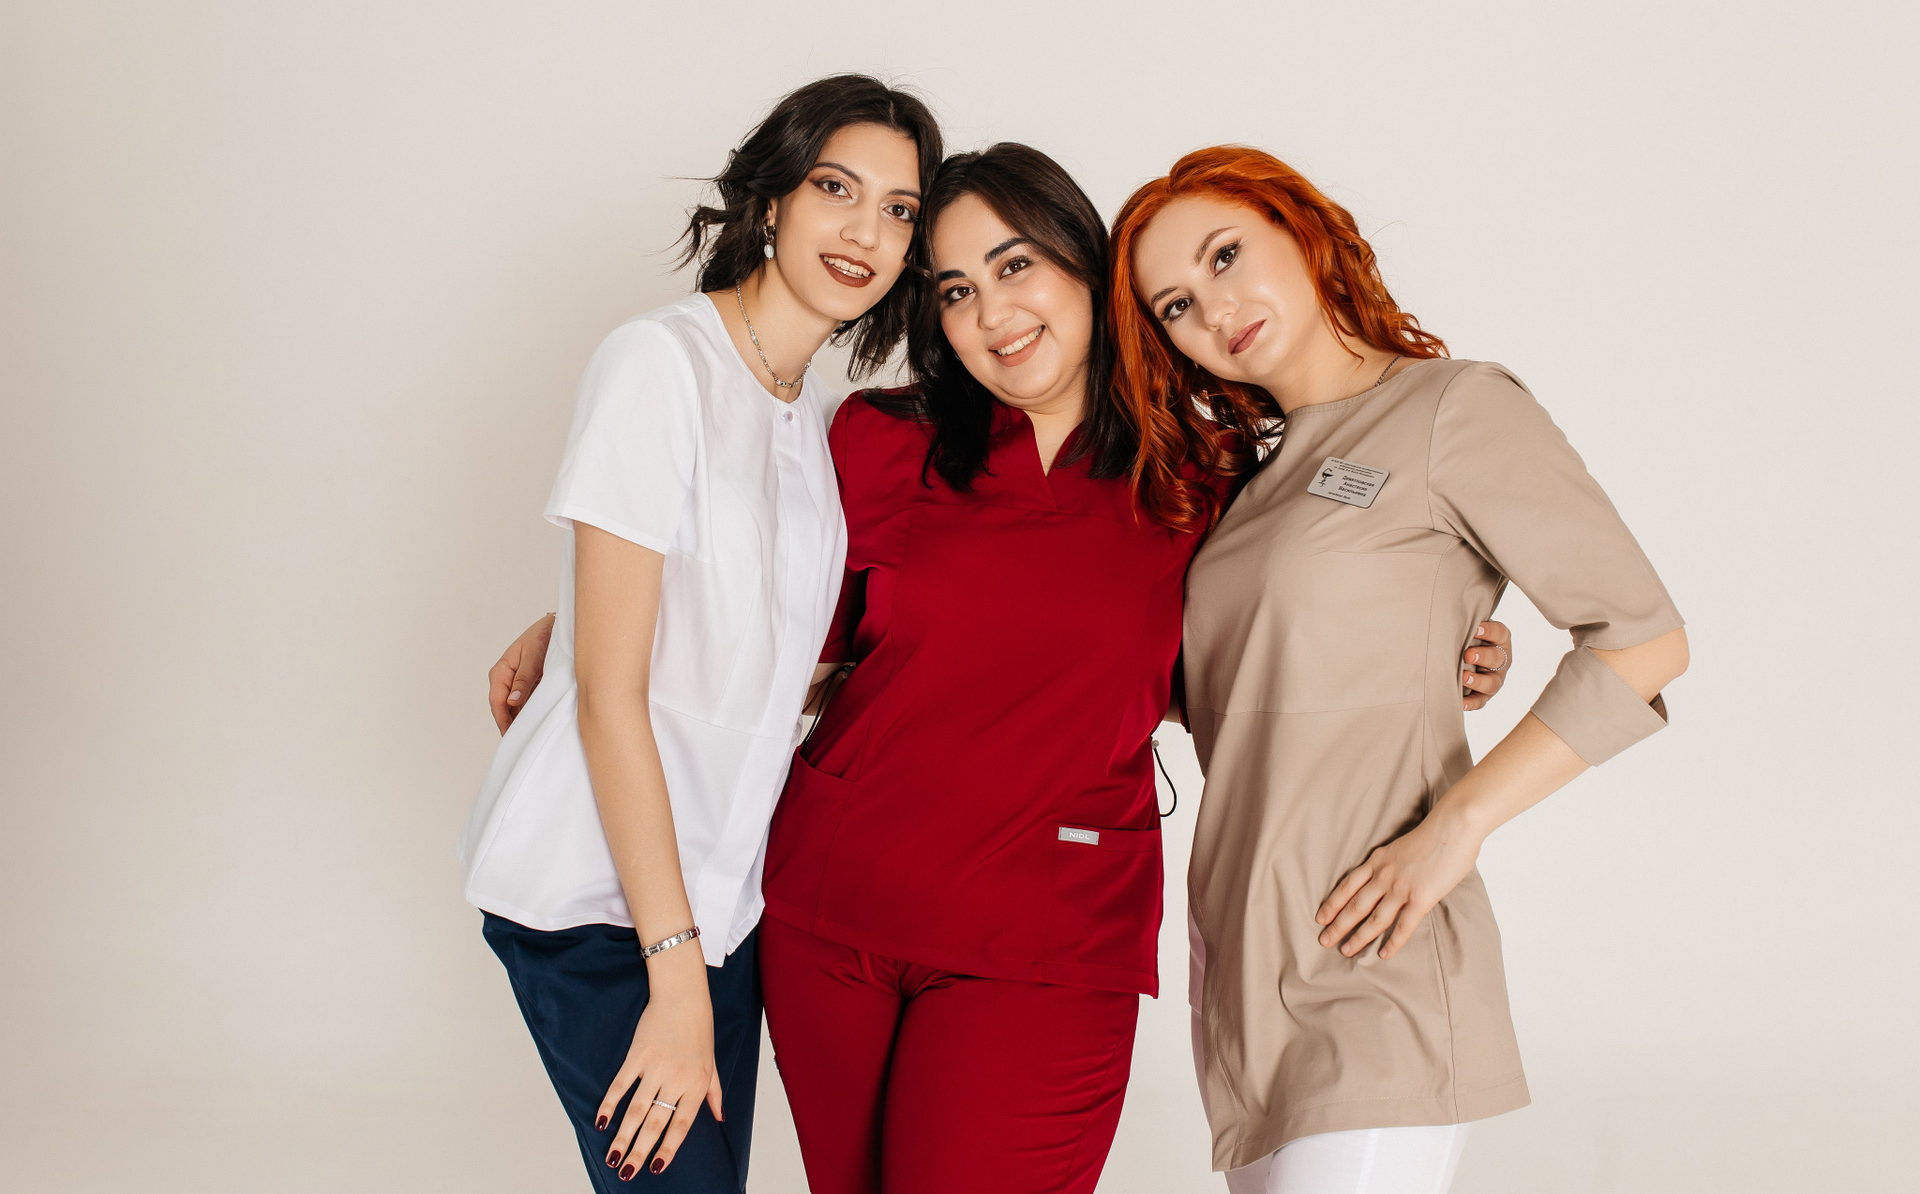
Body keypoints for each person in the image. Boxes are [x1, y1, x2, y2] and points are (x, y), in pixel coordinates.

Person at [489, 142, 1515, 1193]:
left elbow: (1290, 633)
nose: (992, 313)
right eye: (955, 289)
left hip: (1047, 937)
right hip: (832, 913)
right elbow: (765, 600)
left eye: (1016, 265)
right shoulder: (881, 439)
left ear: (1086, 265)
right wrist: (582, 623)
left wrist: (1452, 642)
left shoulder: (1203, 479)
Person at [1110, 145, 1689, 1194]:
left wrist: (1453, 831)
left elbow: (1642, 638)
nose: (1216, 308)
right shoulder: (1240, 488)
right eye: (1178, 306)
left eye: (1226, 254)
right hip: (1244, 978)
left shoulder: (1454, 407)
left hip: (1379, 957)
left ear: (1301, 227)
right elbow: (1240, 681)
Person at [458, 73, 941, 1190]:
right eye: (836, 189)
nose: (866, 232)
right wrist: (673, 975)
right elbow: (611, 697)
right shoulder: (659, 363)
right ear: (771, 201)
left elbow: (761, 641)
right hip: (598, 901)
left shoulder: (810, 418)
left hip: (722, 900)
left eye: (899, 210)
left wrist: (575, 610)